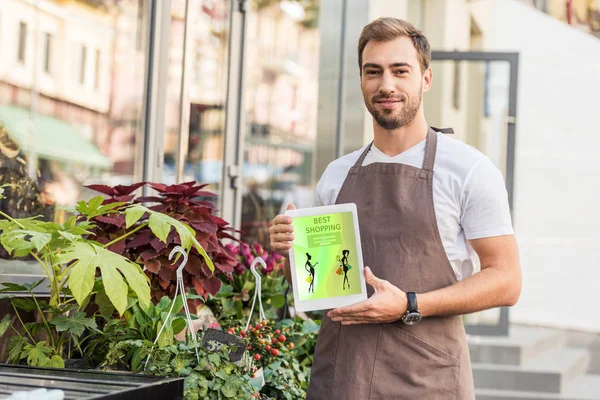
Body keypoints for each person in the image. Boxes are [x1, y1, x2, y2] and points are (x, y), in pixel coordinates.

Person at [269, 17, 521, 399]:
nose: (386, 84)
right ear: (361, 81)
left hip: (426, 380)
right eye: (374, 72)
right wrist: (290, 249)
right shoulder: (336, 175)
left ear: (426, 78)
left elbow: (506, 280)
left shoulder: (468, 170)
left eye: (400, 70)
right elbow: (321, 289)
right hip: (342, 378)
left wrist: (409, 304)